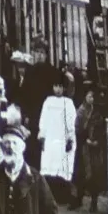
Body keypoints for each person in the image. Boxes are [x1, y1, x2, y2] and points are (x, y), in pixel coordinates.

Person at [16, 38, 59, 167]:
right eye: (37, 52)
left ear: (46, 55)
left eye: (42, 52)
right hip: (34, 116)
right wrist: (25, 115)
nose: (39, 55)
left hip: (49, 116)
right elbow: (24, 95)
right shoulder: (30, 72)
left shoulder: (53, 73)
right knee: (33, 148)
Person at [37, 69, 77, 203]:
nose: (58, 89)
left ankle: (62, 196)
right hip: (50, 138)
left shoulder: (68, 103)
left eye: (60, 86)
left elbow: (71, 121)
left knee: (62, 165)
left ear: (64, 88)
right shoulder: (48, 101)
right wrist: (42, 135)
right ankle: (49, 196)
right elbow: (43, 119)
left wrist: (70, 138)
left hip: (62, 138)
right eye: (55, 86)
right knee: (49, 165)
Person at [72, 84, 107, 213]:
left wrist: (97, 141)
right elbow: (77, 129)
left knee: (95, 175)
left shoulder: (97, 112)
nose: (91, 99)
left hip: (95, 149)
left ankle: (94, 202)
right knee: (81, 173)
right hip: (83, 147)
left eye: (93, 97)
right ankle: (78, 199)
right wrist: (85, 140)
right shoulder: (80, 111)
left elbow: (101, 128)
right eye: (89, 96)